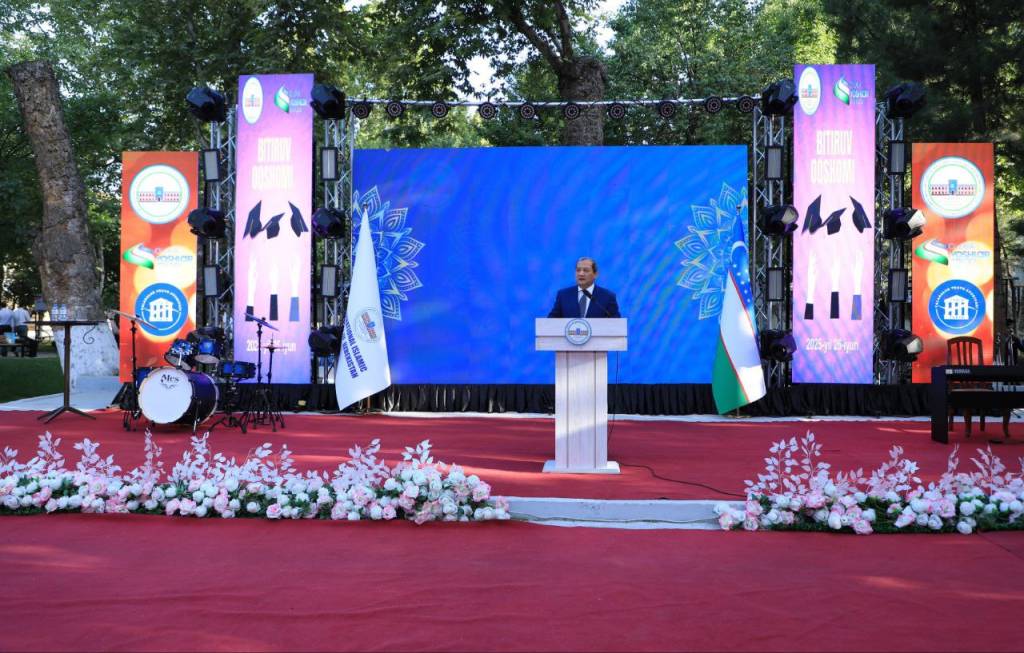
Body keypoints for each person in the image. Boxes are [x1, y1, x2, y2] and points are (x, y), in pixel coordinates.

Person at [547, 256, 621, 319]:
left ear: (595, 274)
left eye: (586, 270)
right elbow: (550, 322)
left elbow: (617, 324)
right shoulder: (563, 295)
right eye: (578, 270)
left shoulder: (608, 297)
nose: (581, 274)